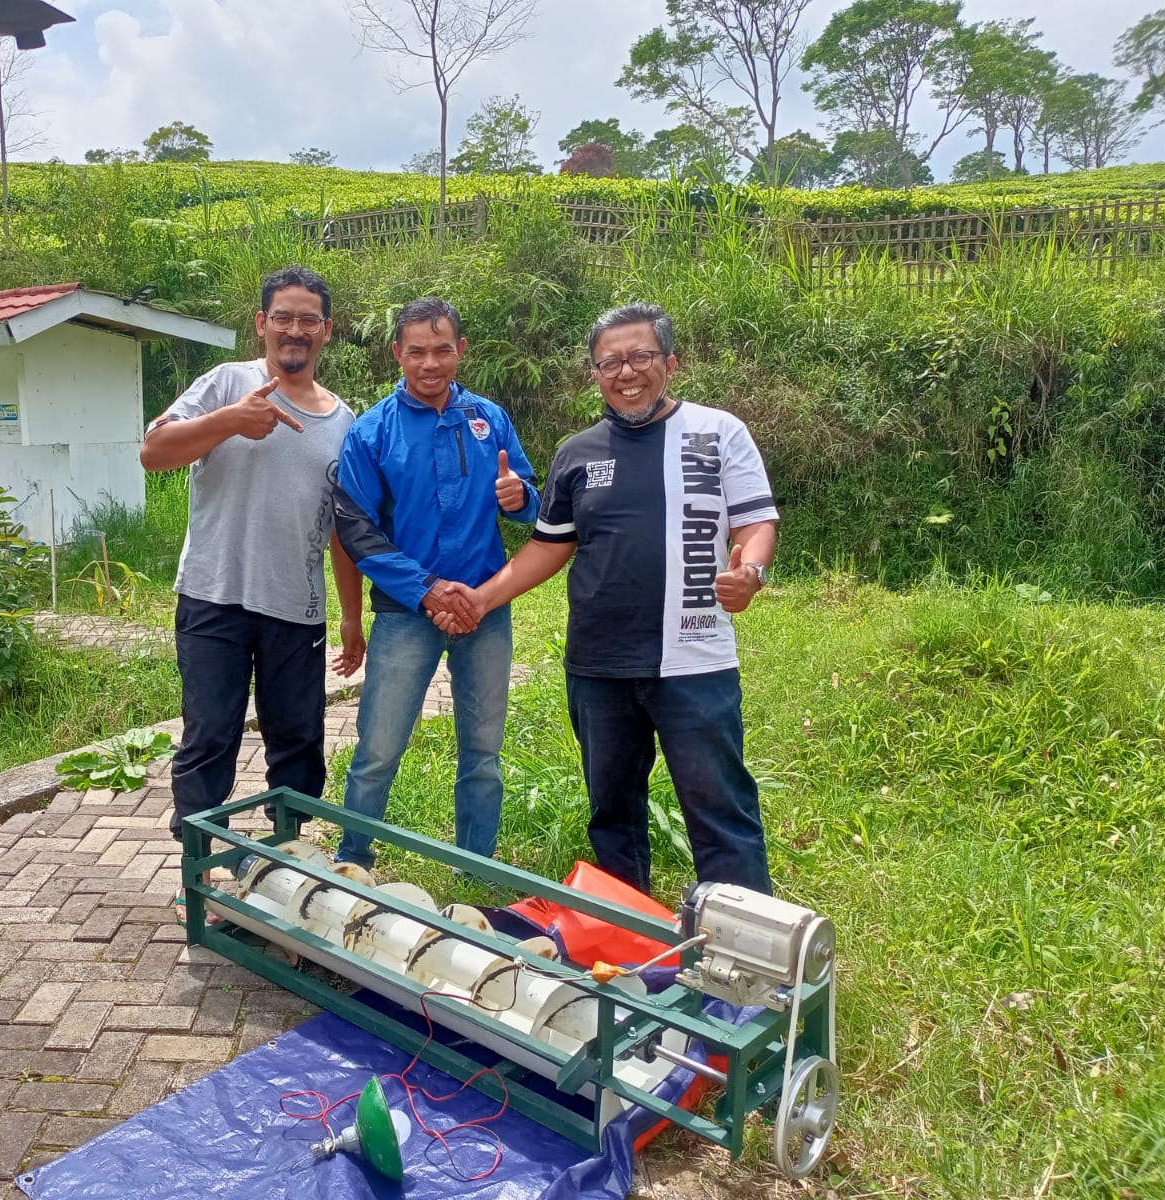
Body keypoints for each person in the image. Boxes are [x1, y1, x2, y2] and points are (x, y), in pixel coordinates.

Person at [443, 301, 777, 896]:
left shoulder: (719, 431)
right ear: (594, 374)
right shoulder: (577, 453)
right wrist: (481, 599)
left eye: (640, 356)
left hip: (694, 661)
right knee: (612, 816)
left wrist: (749, 571)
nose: (626, 372)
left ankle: (746, 965)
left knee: (721, 811)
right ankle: (629, 952)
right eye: (610, 362)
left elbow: (755, 524)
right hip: (599, 665)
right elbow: (548, 548)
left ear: (670, 362)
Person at [140, 265, 365, 862]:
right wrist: (230, 421)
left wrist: (351, 617)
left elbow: (343, 527)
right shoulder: (225, 383)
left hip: (296, 607)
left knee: (297, 744)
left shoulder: (344, 423)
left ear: (326, 331)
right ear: (262, 323)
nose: (295, 330)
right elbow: (153, 453)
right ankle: (202, 870)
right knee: (209, 736)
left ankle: (285, 864)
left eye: (308, 320)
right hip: (214, 595)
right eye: (283, 318)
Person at [332, 297, 539, 869]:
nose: (430, 363)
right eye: (416, 351)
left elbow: (529, 498)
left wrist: (521, 497)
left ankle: (476, 866)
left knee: (483, 752)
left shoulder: (489, 419)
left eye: (442, 350)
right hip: (405, 616)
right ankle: (354, 858)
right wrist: (426, 590)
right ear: (397, 353)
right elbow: (356, 530)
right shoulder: (371, 432)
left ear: (460, 351)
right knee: (377, 749)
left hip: (485, 611)